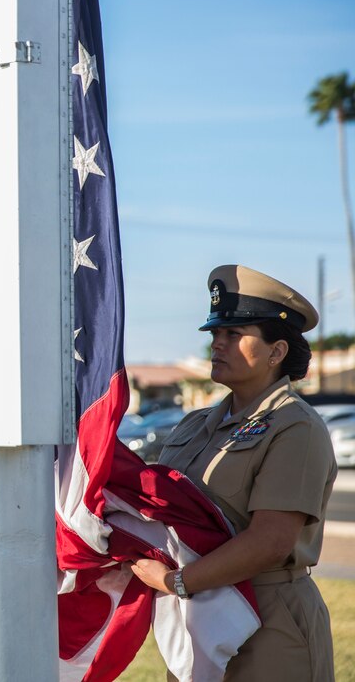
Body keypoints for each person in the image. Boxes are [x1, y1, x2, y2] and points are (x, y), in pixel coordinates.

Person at [129, 265, 336, 681]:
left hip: (267, 615)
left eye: (233, 336)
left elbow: (271, 542)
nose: (217, 345)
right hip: (198, 617)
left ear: (276, 352)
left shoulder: (294, 426)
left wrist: (177, 581)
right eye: (214, 335)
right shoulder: (195, 424)